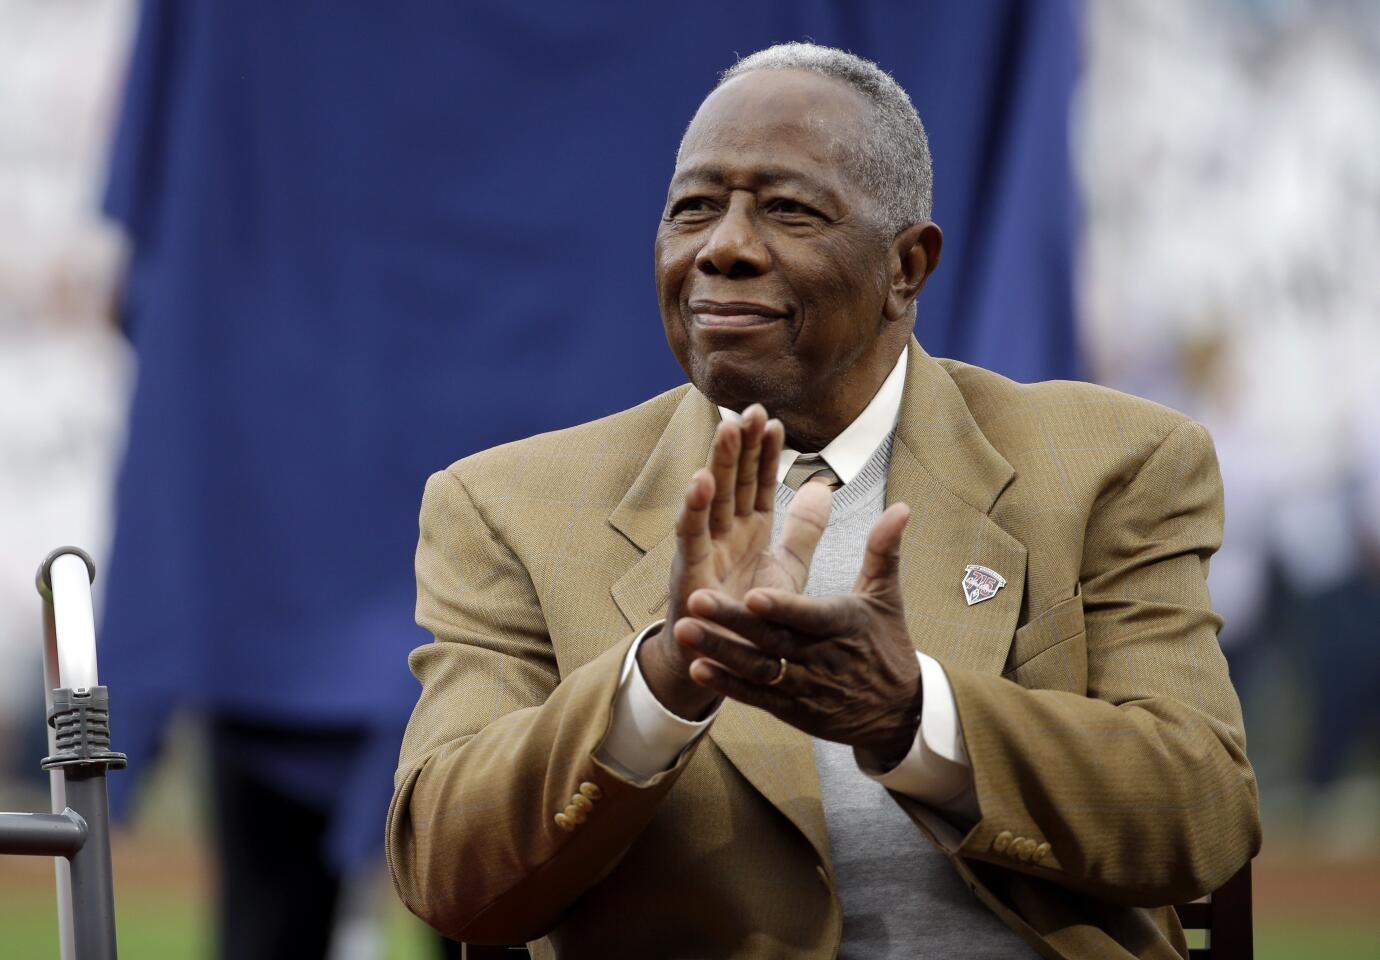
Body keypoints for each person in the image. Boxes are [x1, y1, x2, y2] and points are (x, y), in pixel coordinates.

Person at [388, 43, 1260, 960]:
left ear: (906, 268)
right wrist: (660, 682)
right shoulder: (505, 506)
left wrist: (913, 716)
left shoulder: (1110, 465)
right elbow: (448, 870)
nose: (721, 247)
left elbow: (1200, 809)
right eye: (693, 208)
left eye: (786, 210)